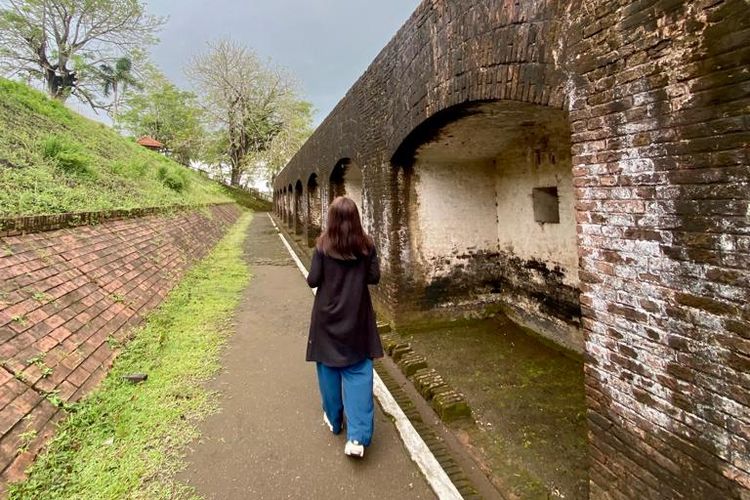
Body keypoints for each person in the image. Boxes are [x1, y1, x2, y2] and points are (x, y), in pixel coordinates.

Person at [306, 196, 383, 458]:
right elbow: (374, 277)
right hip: (357, 317)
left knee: (328, 369)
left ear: (331, 220)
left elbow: (312, 280)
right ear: (356, 218)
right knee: (359, 371)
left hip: (327, 319)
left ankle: (334, 420)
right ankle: (357, 438)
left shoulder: (323, 245)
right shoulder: (366, 245)